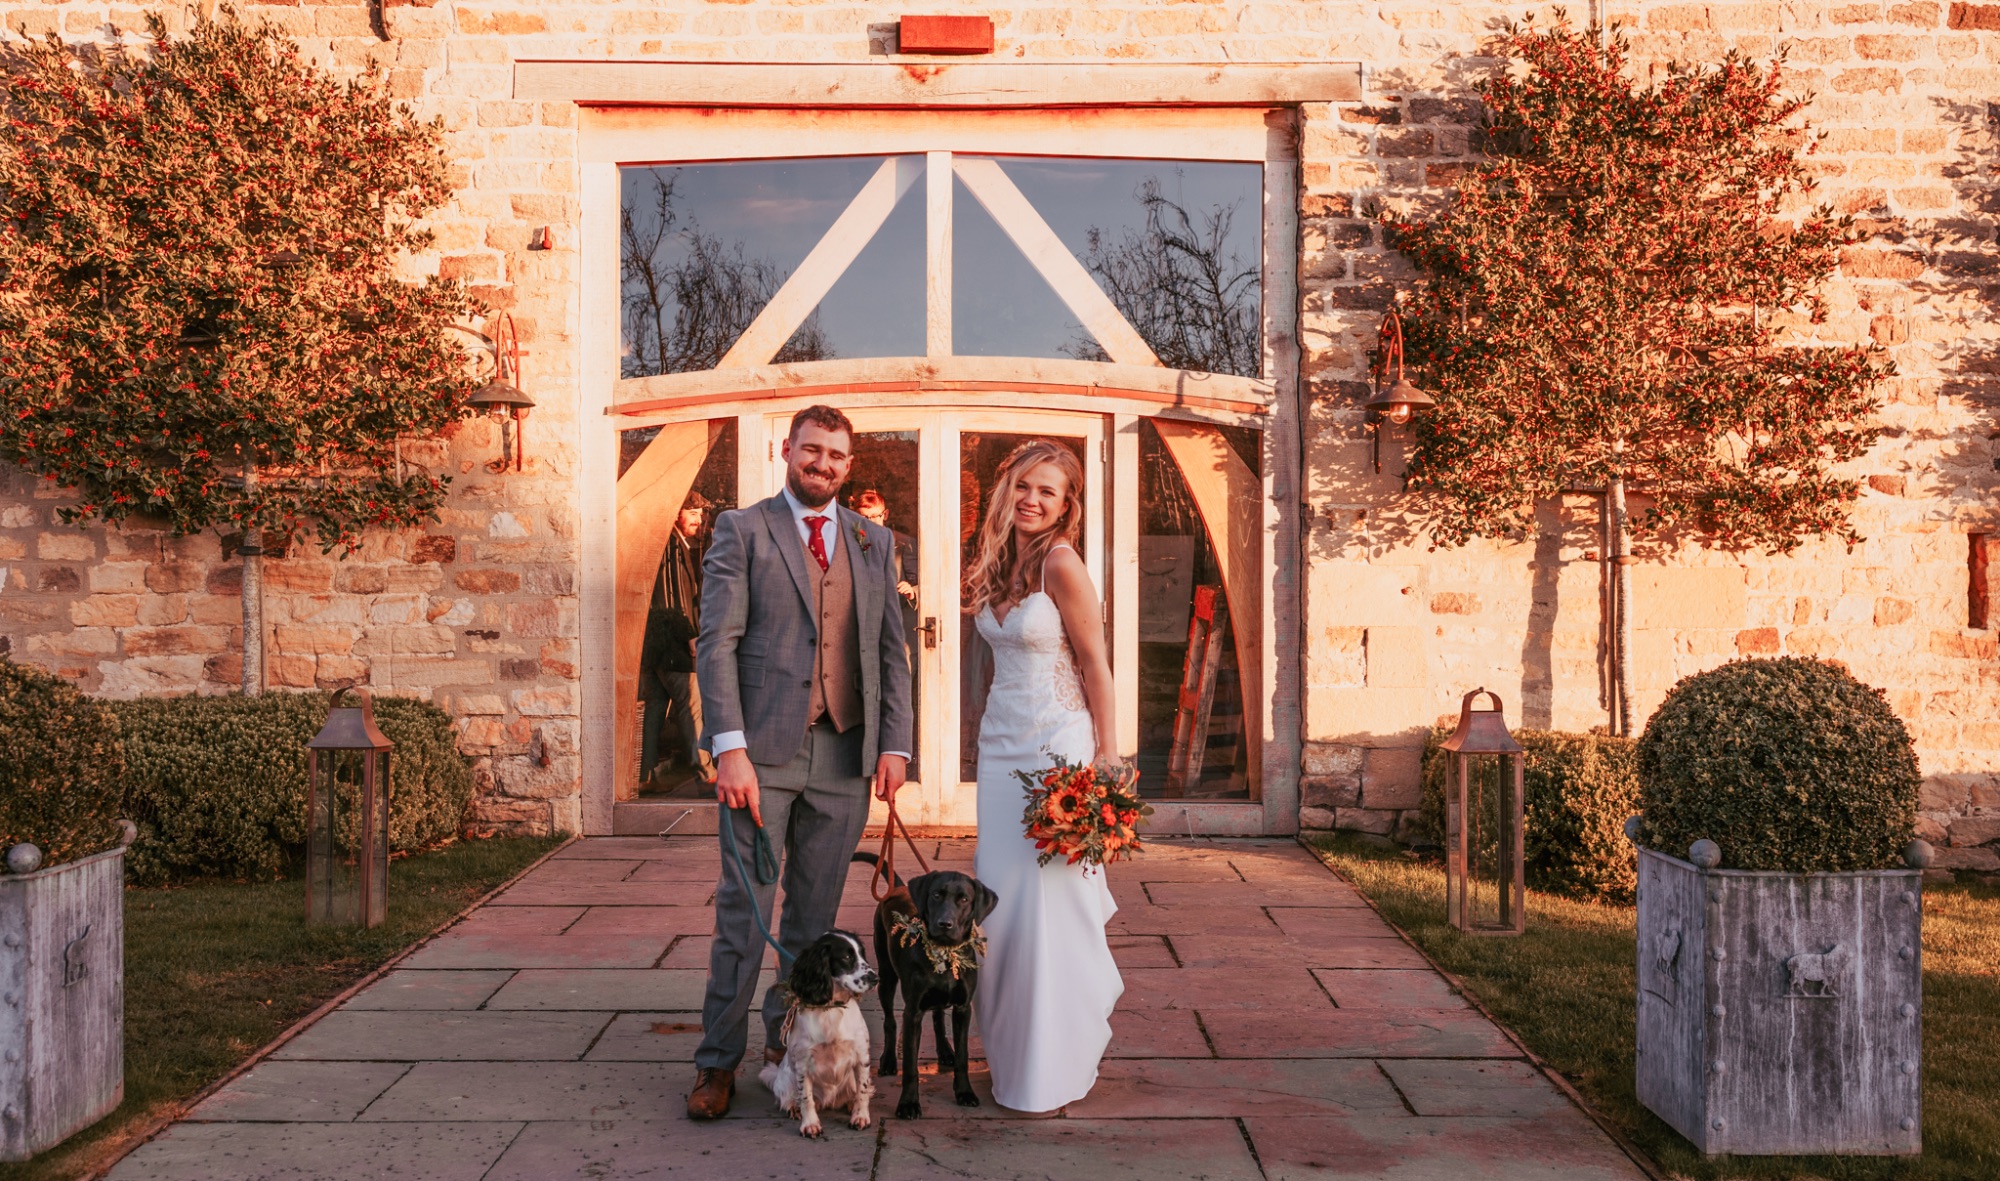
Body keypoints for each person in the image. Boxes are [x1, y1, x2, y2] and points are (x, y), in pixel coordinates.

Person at [685, 405, 914, 1121]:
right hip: (761, 757)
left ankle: (784, 1052)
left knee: (813, 924)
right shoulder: (741, 529)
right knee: (744, 917)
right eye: (811, 450)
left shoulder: (875, 541)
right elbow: (714, 642)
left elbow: (889, 650)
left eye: (836, 456)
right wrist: (729, 749)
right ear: (788, 451)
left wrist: (895, 745)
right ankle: (715, 1064)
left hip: (845, 756)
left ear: (850, 465)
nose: (822, 464)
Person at [963, 438, 1123, 1112]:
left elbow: (1096, 665)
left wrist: (1108, 758)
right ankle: (1011, 1058)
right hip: (1001, 753)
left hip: (1056, 750)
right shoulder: (995, 560)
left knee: (1048, 910)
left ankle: (1052, 1067)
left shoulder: (1062, 563)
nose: (1032, 499)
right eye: (1024, 485)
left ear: (1067, 505)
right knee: (998, 909)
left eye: (1048, 491)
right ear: (1008, 489)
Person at [640, 492, 712, 786]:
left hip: (656, 647)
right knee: (691, 708)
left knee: (655, 709)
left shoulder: (673, 544)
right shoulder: (670, 545)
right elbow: (674, 598)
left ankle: (642, 775)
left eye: (699, 514)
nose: (697, 519)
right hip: (674, 646)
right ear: (675, 513)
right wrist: (692, 636)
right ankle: (705, 773)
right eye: (691, 513)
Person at [853, 488, 919, 763]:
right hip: (861, 628)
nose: (872, 522)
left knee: (899, 687)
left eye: (877, 516)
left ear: (886, 514)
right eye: (865, 517)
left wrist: (912, 589)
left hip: (898, 628)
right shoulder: (849, 544)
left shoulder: (905, 545)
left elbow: (925, 582)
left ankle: (902, 752)